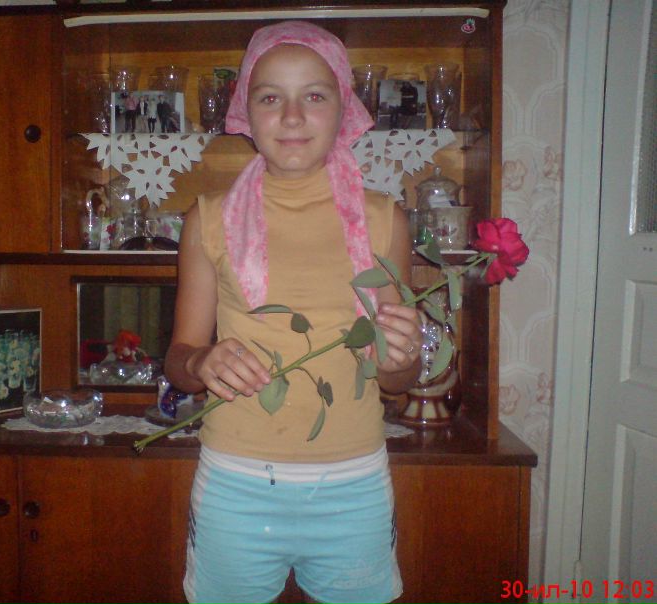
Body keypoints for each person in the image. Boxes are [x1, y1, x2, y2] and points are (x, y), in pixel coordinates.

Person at [164, 20, 422, 604]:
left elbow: (398, 381)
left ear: (344, 109)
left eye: (315, 96)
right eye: (270, 98)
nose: (292, 116)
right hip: (236, 485)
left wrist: (401, 355)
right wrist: (202, 361)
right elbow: (179, 360)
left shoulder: (386, 220)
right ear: (245, 112)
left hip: (353, 487)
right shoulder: (207, 219)